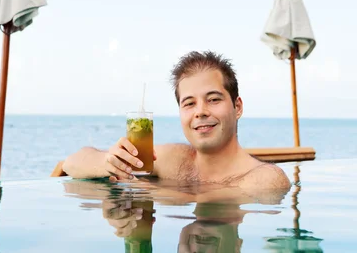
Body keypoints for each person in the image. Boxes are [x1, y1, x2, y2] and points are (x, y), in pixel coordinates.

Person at [63, 51, 291, 192]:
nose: (200, 112)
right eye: (189, 104)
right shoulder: (173, 160)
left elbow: (215, 201)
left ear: (237, 107)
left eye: (213, 99)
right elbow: (72, 163)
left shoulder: (266, 179)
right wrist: (108, 162)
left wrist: (141, 189)